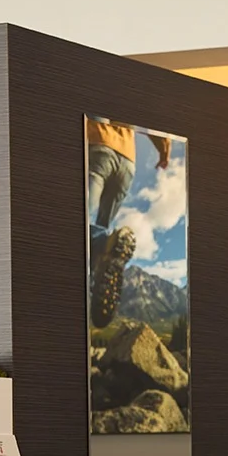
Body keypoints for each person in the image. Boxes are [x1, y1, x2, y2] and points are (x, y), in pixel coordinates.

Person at [85, 118, 170, 327]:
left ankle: (103, 245)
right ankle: (95, 279)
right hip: (127, 162)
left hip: (99, 144)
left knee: (81, 221)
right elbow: (151, 120)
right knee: (101, 239)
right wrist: (164, 152)